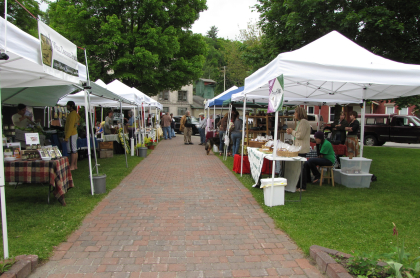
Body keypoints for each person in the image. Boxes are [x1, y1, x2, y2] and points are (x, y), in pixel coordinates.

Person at [64, 101, 80, 171]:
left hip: (71, 134)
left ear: (71, 106)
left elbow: (70, 126)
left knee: (72, 151)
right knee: (74, 150)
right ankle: (75, 165)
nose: (66, 107)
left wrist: (67, 136)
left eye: (67, 105)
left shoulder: (72, 115)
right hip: (74, 133)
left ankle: (72, 166)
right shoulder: (74, 114)